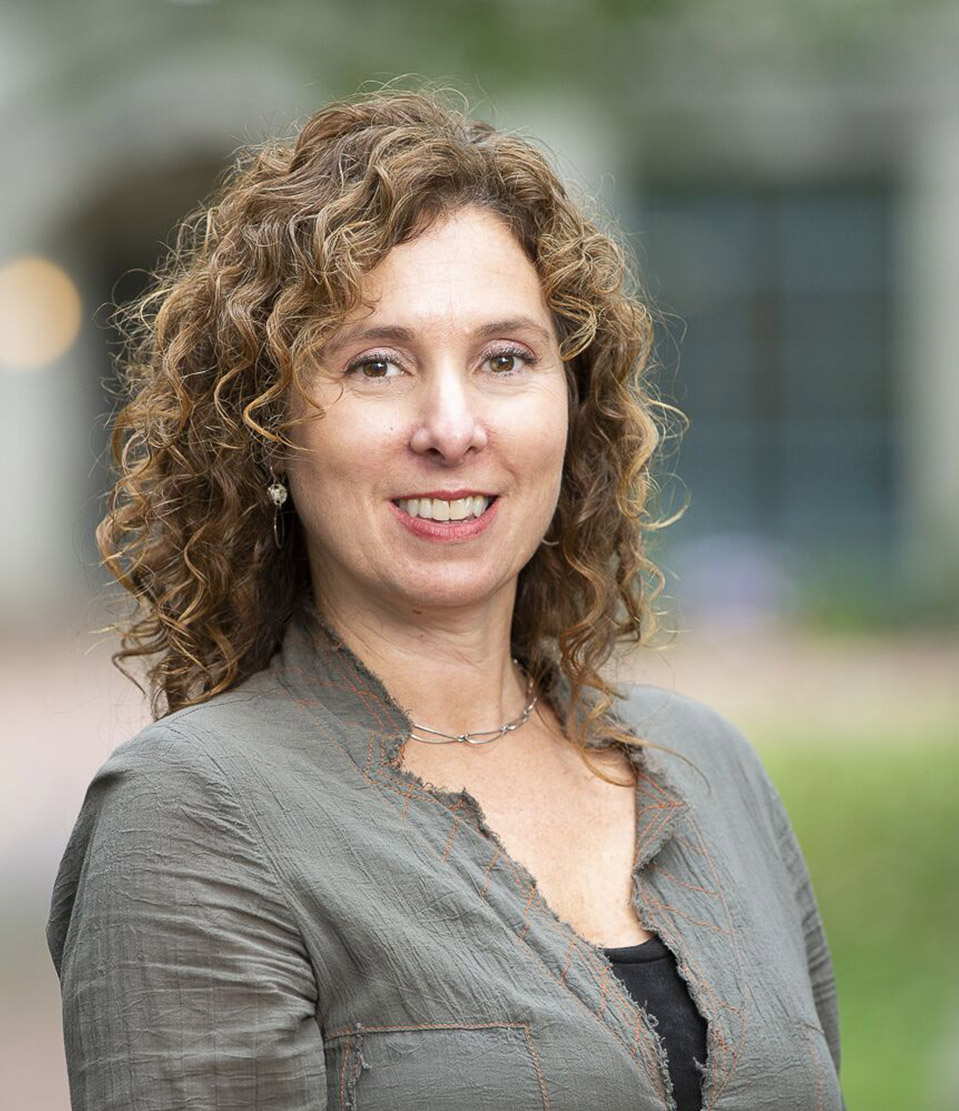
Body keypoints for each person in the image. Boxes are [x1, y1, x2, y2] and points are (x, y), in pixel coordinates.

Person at [47, 86, 844, 1111]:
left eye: (504, 358)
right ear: (268, 425)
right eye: (376, 364)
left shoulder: (708, 768)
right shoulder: (194, 814)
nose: (452, 425)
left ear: (574, 404)